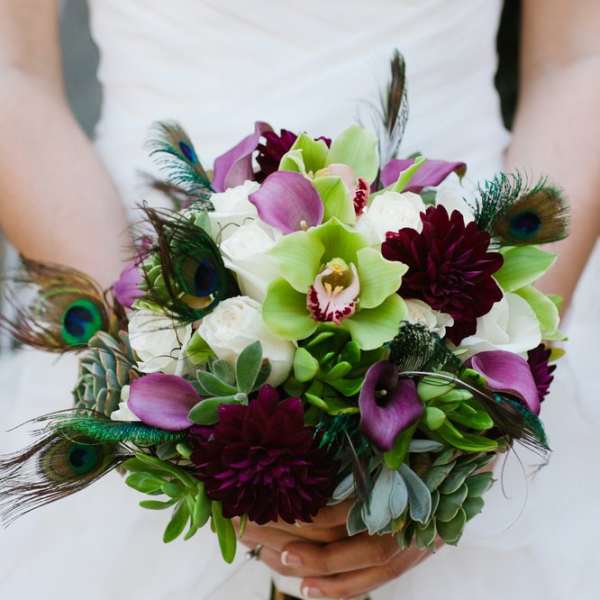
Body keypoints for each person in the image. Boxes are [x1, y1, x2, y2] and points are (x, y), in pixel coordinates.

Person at [0, 1, 598, 599]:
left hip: (465, 277)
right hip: (126, 268)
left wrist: (489, 398)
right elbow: (13, 68)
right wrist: (149, 349)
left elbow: (578, 59)